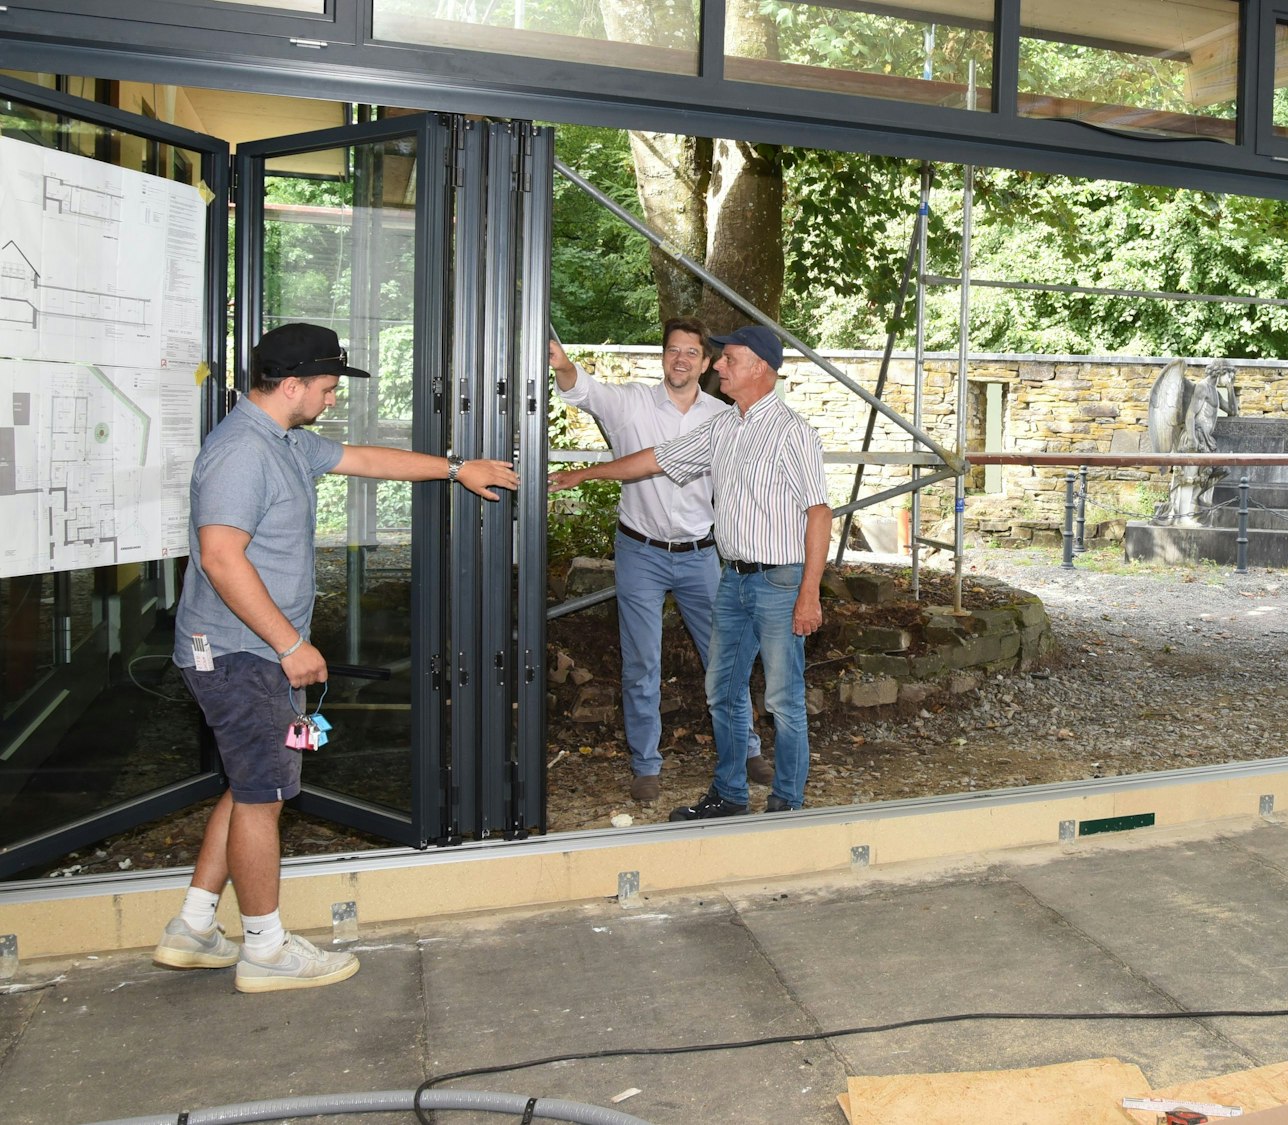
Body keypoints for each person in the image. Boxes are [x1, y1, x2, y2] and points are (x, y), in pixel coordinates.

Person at [153, 322, 518, 992]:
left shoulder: (282, 440)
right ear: (291, 384)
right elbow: (220, 558)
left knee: (247, 781)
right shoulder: (242, 453)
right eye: (323, 387)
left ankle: (194, 923)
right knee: (264, 795)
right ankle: (264, 947)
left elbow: (364, 459)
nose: (328, 399)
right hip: (241, 656)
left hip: (246, 654)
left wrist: (457, 468)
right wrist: (290, 645)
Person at [550, 324, 828, 819]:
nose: (718, 365)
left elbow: (818, 513)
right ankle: (730, 795)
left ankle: (787, 804)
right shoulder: (724, 426)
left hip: (780, 581)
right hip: (732, 579)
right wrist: (583, 474)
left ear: (760, 368)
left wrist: (810, 593)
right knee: (722, 692)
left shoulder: (793, 432)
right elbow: (656, 460)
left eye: (729, 359)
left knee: (784, 699)